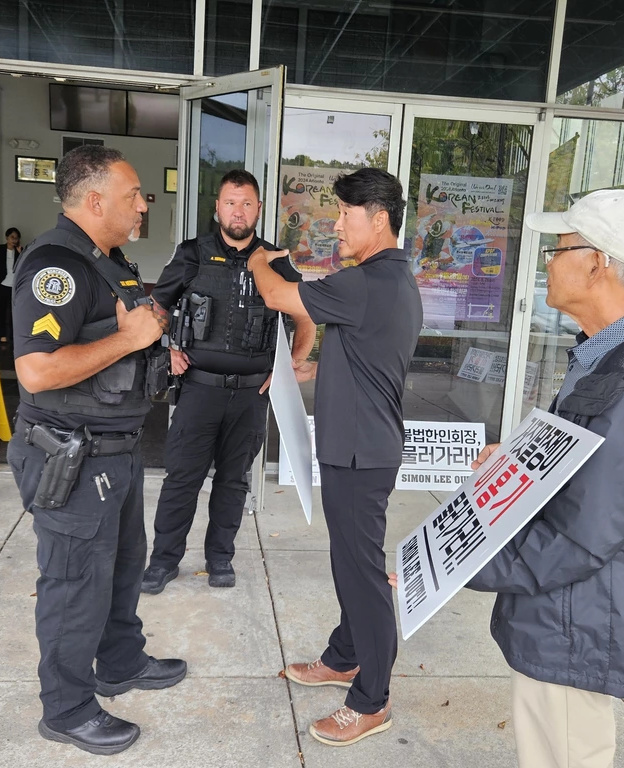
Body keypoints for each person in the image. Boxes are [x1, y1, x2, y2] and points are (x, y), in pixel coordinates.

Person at [437, 189, 624, 768]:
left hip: (581, 614)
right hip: (576, 606)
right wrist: (517, 465)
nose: (547, 262)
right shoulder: (612, 355)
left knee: (563, 751)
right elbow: (588, 481)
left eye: (558, 248)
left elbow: (581, 536)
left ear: (595, 263)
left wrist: (449, 563)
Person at [7, 145, 186, 756]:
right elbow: (35, 370)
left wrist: (154, 348)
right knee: (74, 580)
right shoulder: (56, 267)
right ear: (94, 200)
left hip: (114, 451)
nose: (143, 205)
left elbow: (115, 338)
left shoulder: (109, 261)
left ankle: (118, 661)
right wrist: (131, 337)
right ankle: (67, 707)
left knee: (121, 566)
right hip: (71, 455)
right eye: (134, 194)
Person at [248, 168, 423, 747]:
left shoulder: (366, 281)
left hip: (361, 451)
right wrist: (320, 368)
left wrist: (255, 257)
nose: (337, 223)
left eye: (346, 213)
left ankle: (371, 698)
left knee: (362, 571)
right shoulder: (391, 282)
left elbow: (277, 294)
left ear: (379, 219)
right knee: (351, 559)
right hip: (362, 444)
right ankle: (344, 656)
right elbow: (374, 358)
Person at [140, 170, 316, 593]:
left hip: (252, 393)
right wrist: (164, 350)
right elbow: (155, 307)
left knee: (233, 481)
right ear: (217, 208)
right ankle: (164, 561)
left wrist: (291, 364)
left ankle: (220, 559)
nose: (238, 211)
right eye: (230, 203)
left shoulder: (277, 259)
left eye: (246, 203)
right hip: (199, 388)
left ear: (258, 209)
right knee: (182, 479)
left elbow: (305, 315)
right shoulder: (192, 253)